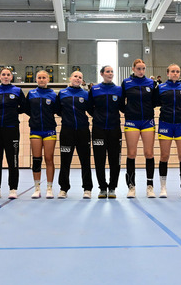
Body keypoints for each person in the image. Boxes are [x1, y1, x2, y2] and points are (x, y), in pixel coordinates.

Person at [121, 59, 158, 198]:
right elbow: (121, 102)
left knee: (149, 153)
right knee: (131, 153)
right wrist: (129, 111)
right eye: (138, 69)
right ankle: (131, 186)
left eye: (143, 68)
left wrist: (147, 111)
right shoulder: (126, 83)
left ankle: (150, 186)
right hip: (132, 121)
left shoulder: (151, 83)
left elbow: (155, 101)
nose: (141, 71)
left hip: (147, 121)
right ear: (133, 69)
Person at [0, 67, 26, 199]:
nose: (5, 76)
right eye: (3, 74)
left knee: (12, 159)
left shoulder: (17, 91)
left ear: (11, 77)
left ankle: (13, 189)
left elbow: (24, 107)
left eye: (8, 74)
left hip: (12, 129)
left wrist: (14, 113)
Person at [56, 70, 93, 199]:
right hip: (67, 132)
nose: (77, 78)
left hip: (83, 131)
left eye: (80, 77)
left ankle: (87, 189)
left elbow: (91, 110)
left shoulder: (86, 94)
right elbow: (58, 110)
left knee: (85, 161)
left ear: (82, 81)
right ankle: (63, 188)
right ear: (70, 78)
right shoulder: (62, 93)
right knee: (65, 161)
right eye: (75, 76)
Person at [156, 63, 181, 198]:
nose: (175, 73)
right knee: (164, 156)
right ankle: (163, 187)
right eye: (172, 71)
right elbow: (154, 102)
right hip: (165, 124)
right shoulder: (161, 88)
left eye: (177, 71)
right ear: (167, 73)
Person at [90, 65, 123, 199]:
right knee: (99, 159)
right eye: (107, 71)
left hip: (115, 129)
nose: (110, 73)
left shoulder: (119, 90)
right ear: (102, 74)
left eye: (112, 72)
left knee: (115, 160)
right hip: (99, 129)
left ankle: (112, 188)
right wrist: (98, 117)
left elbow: (122, 107)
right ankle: (102, 188)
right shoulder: (94, 89)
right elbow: (89, 107)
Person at [26, 70, 58, 199]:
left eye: (44, 77)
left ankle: (49, 188)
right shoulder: (31, 94)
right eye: (39, 77)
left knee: (49, 158)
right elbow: (27, 109)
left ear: (48, 79)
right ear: (36, 79)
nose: (41, 80)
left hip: (49, 130)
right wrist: (34, 118)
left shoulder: (53, 94)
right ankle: (37, 188)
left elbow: (57, 110)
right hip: (35, 130)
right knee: (36, 159)